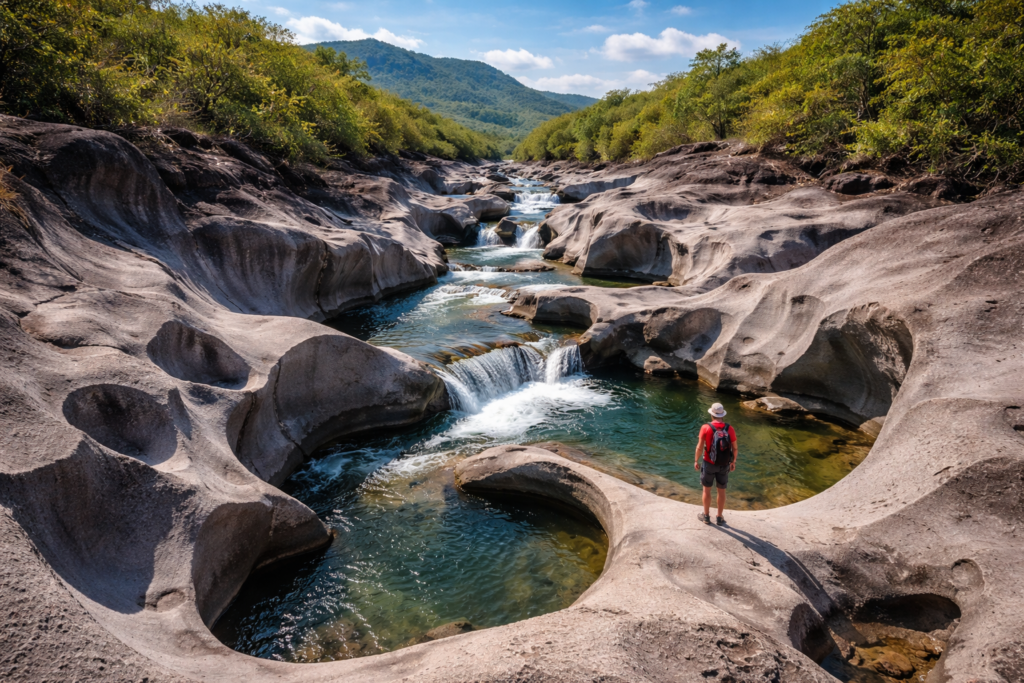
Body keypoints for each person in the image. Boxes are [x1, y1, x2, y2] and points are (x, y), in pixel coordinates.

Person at [694, 402, 737, 526]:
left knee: (706, 490)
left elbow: (699, 447)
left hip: (709, 463)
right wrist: (733, 462)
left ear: (712, 415)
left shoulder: (705, 427)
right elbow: (735, 448)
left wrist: (696, 460)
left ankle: (706, 516)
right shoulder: (730, 428)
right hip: (724, 464)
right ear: (722, 415)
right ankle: (719, 517)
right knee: (721, 491)